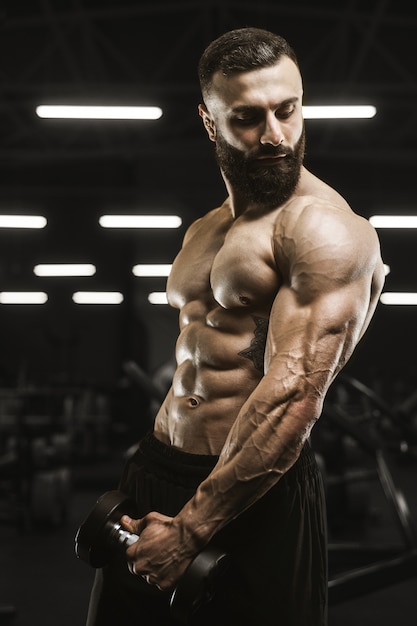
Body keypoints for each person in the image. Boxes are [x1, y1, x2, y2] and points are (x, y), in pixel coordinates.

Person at [85, 27, 385, 626]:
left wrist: (191, 528)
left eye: (288, 110)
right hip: (156, 470)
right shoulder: (204, 229)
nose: (275, 135)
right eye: (248, 117)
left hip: (252, 488)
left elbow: (294, 397)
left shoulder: (322, 229)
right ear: (208, 120)